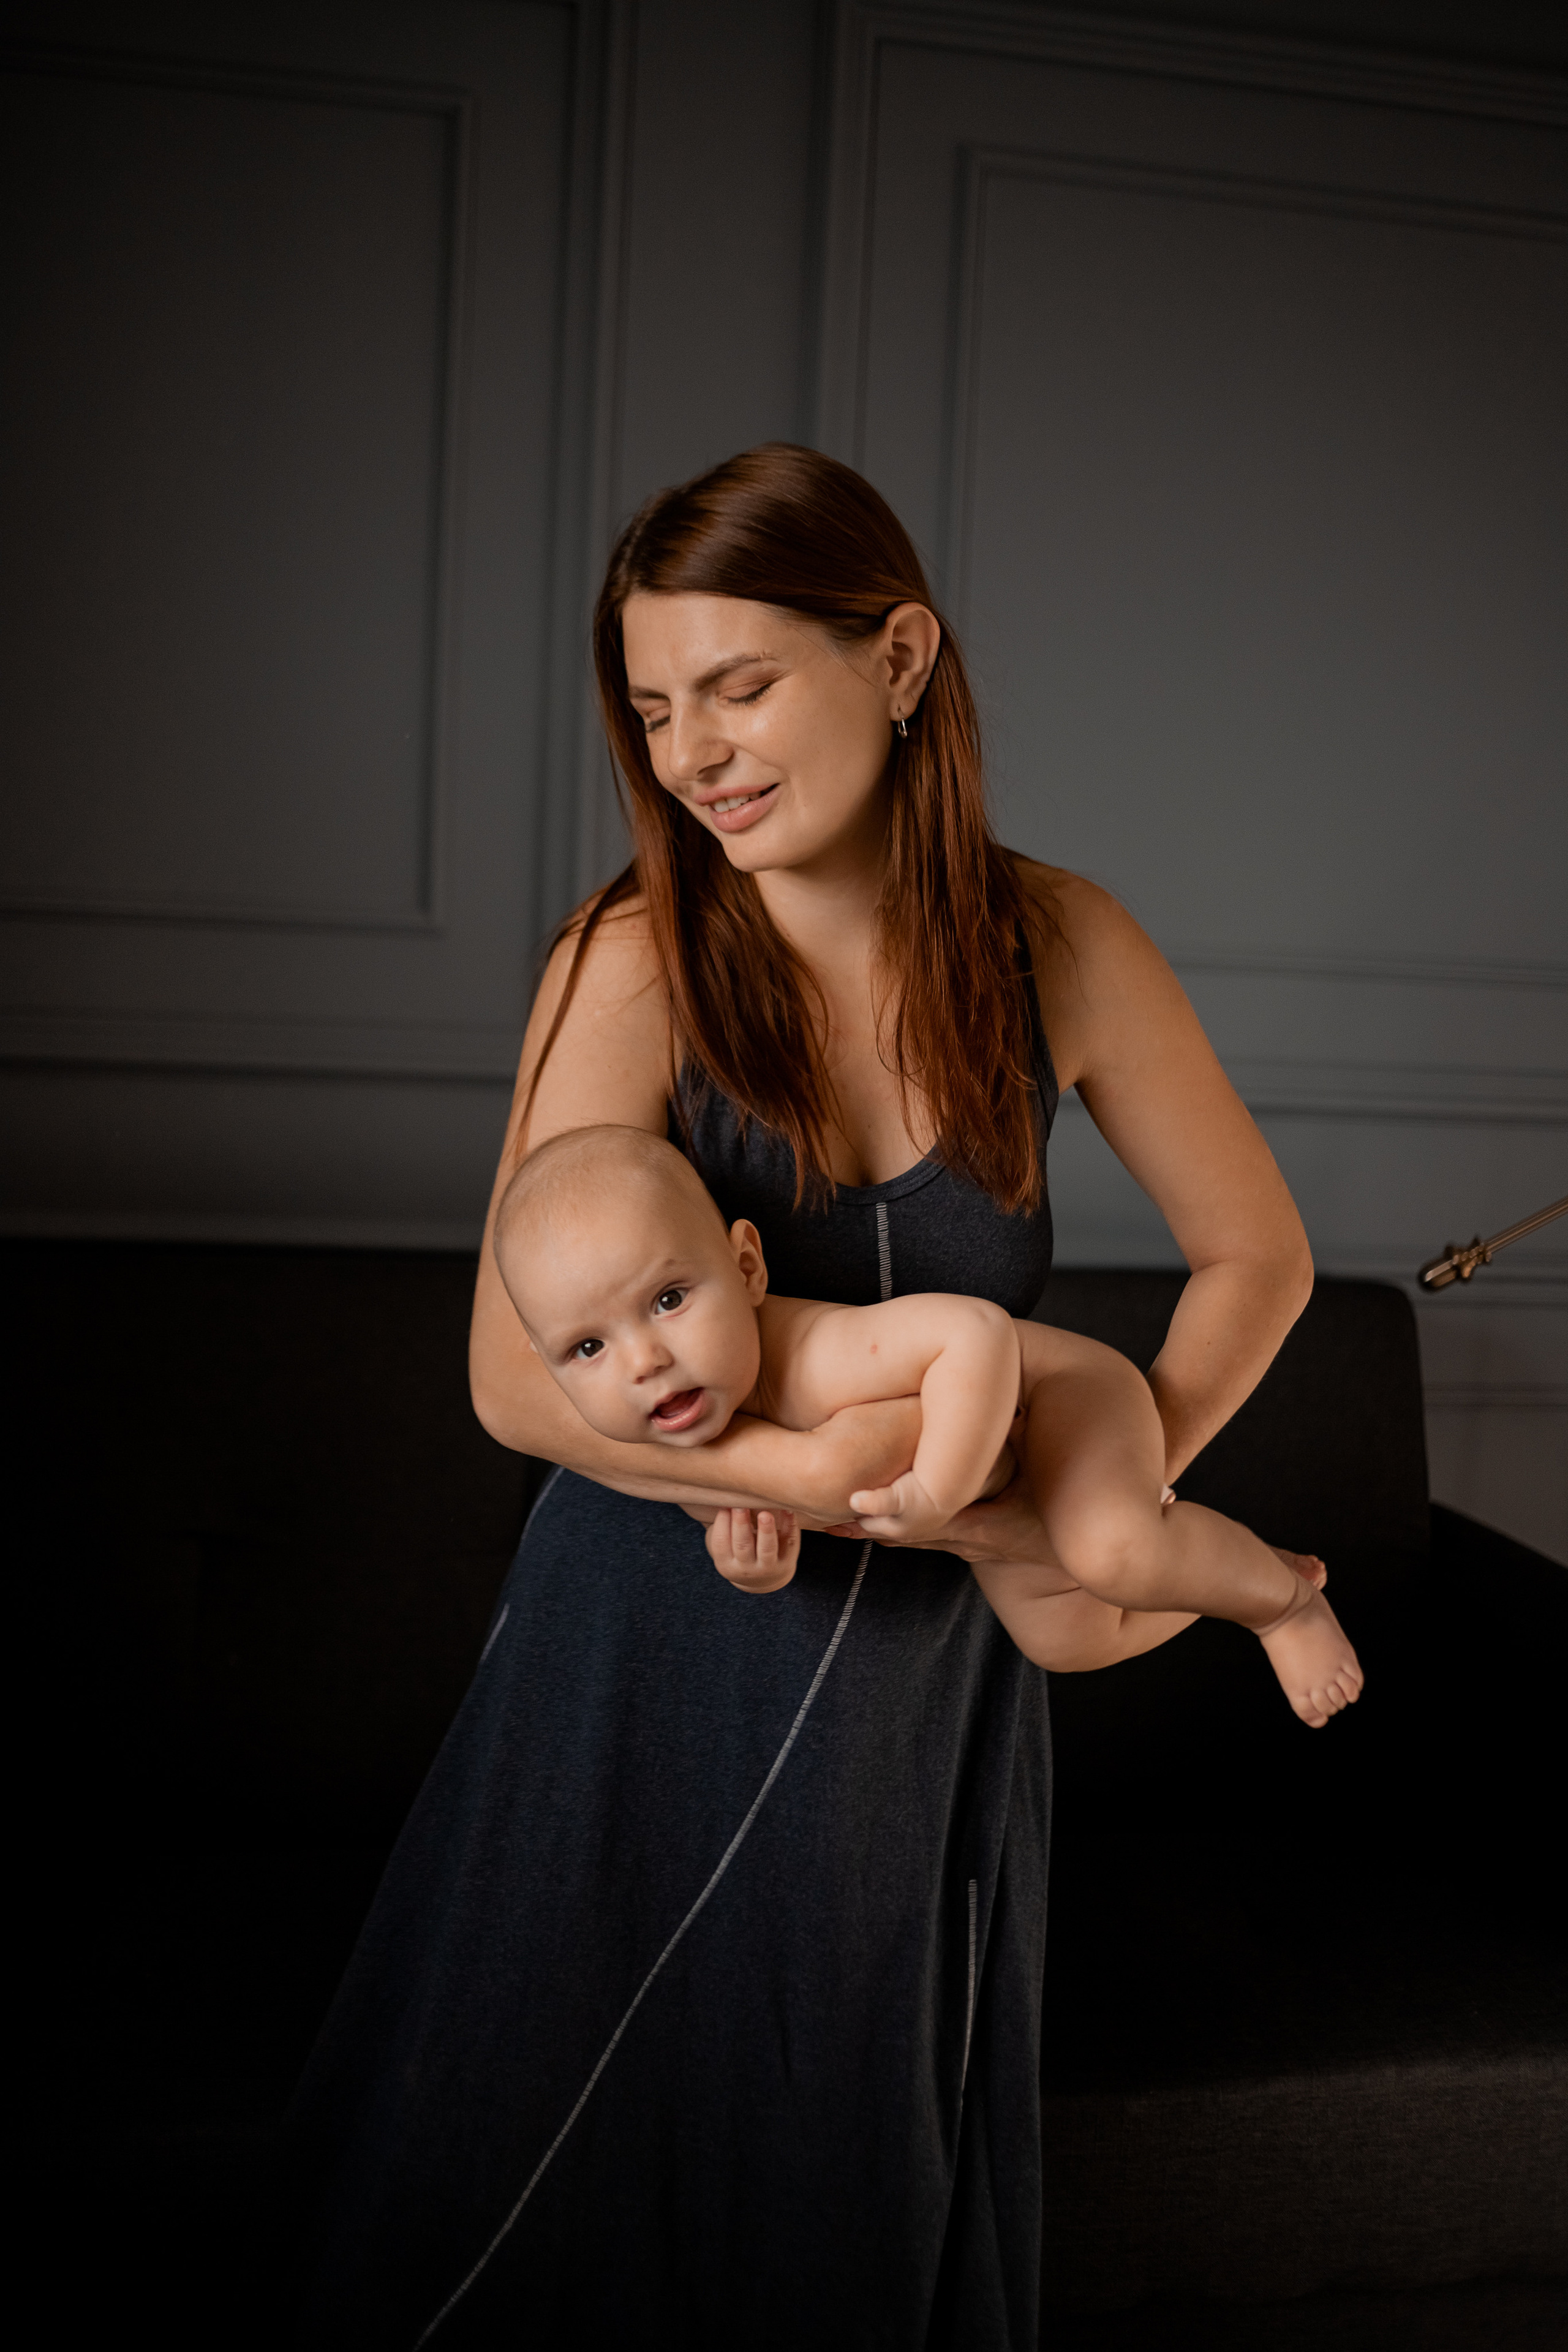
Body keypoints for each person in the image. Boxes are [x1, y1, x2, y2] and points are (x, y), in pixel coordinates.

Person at [284, 444, 1317, 2350]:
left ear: (900, 657)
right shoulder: (630, 957)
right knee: (530, 2191)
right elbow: (510, 1375)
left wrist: (1092, 1494)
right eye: (653, 708)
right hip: (646, 1651)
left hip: (925, 1706)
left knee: (846, 2203)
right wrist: (838, 1484)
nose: (692, 753)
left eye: (740, 686)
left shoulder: (1065, 943)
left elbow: (1259, 1257)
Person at [492, 1122, 1360, 1730]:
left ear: (748, 1266)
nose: (644, 1361)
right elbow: (745, 1511)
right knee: (1068, 1639)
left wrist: (940, 1489)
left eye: (669, 1300)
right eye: (589, 1348)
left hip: (1058, 1401)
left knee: (1111, 1553)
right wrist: (753, 1562)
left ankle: (1281, 1608)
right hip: (1003, 1474)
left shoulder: (815, 1354)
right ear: (548, 1366)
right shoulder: (674, 1432)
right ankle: (1235, 1576)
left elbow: (973, 1336)